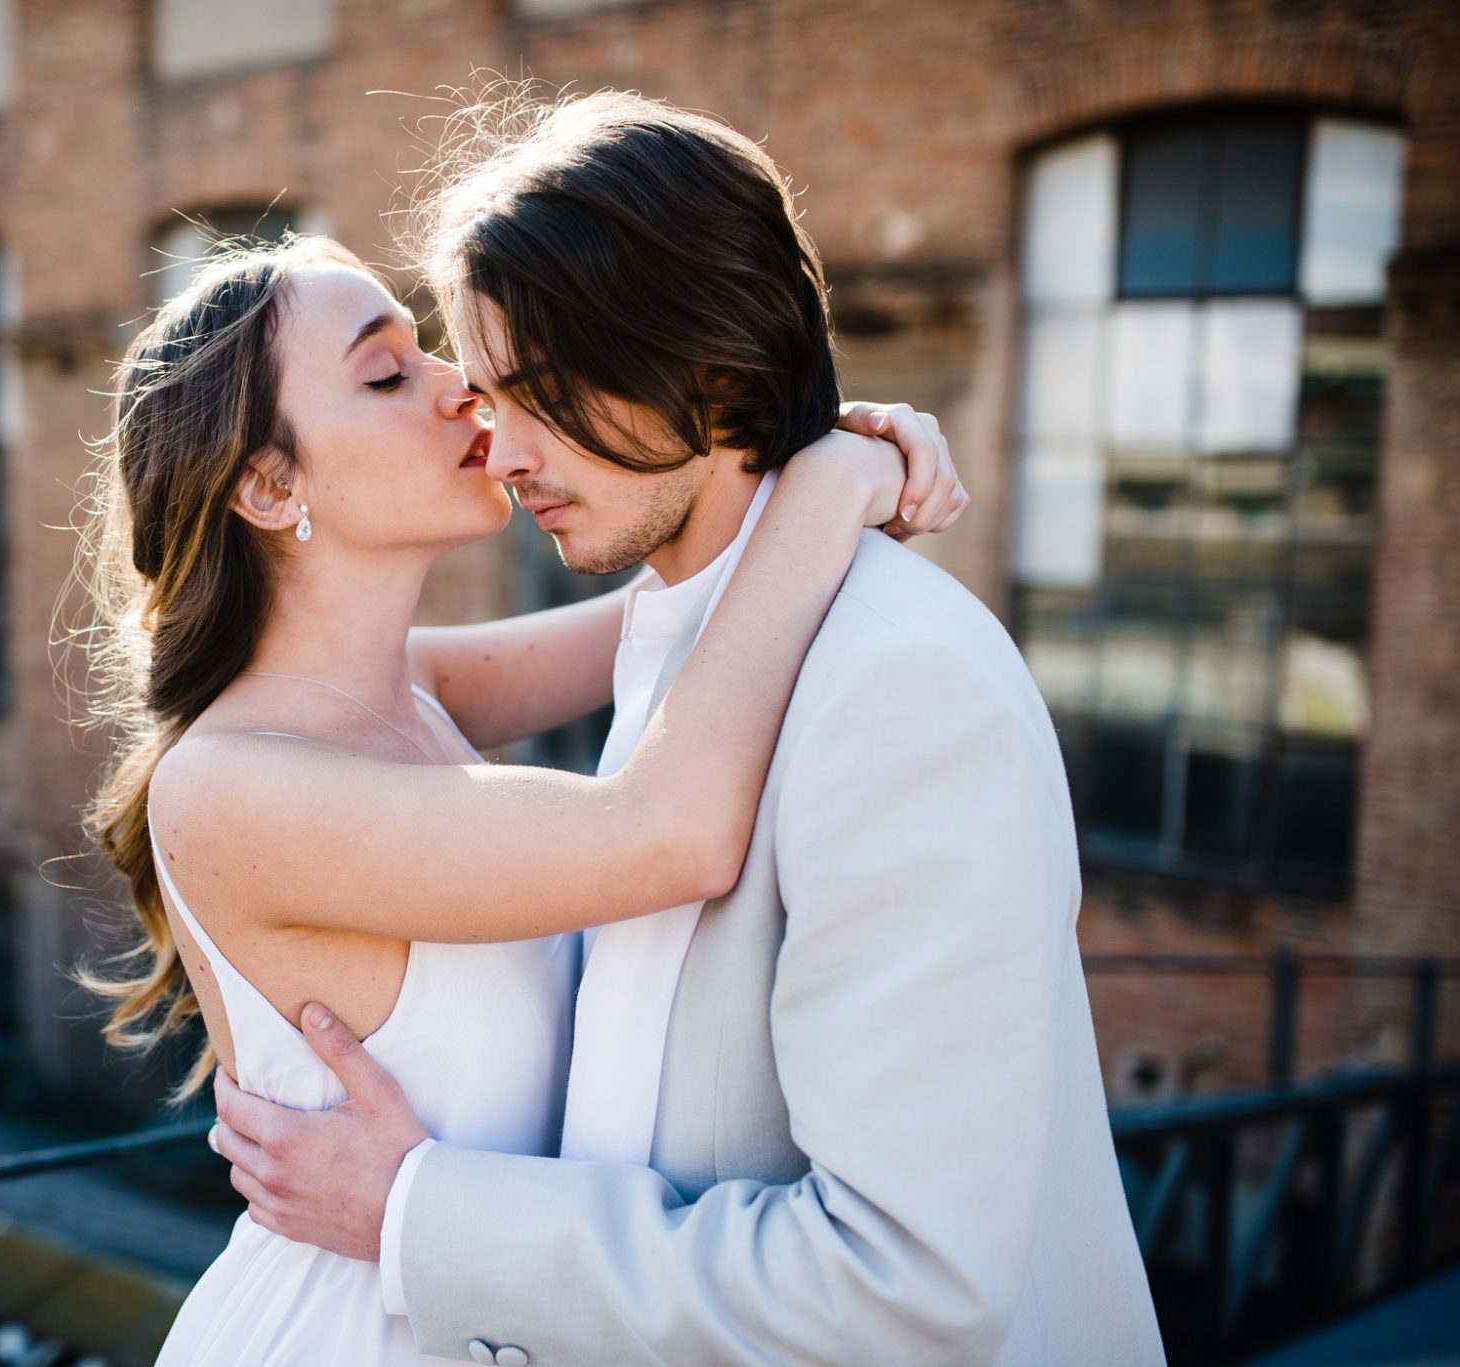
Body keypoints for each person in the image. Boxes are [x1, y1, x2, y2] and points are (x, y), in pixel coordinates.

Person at [208, 91, 1167, 1366]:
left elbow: (906, 1291)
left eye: (535, 395)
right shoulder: (700, 650)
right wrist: (835, 475)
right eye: (486, 394)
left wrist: (418, 1210)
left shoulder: (895, 687)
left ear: (707, 370)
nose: (497, 450)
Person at [64, 219, 963, 1365]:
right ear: (267, 481)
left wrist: (811, 449)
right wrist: (833, 482)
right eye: (389, 372)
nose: (464, 389)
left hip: (492, 1312)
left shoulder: (410, 688)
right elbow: (669, 833)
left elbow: (691, 613)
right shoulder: (230, 787)